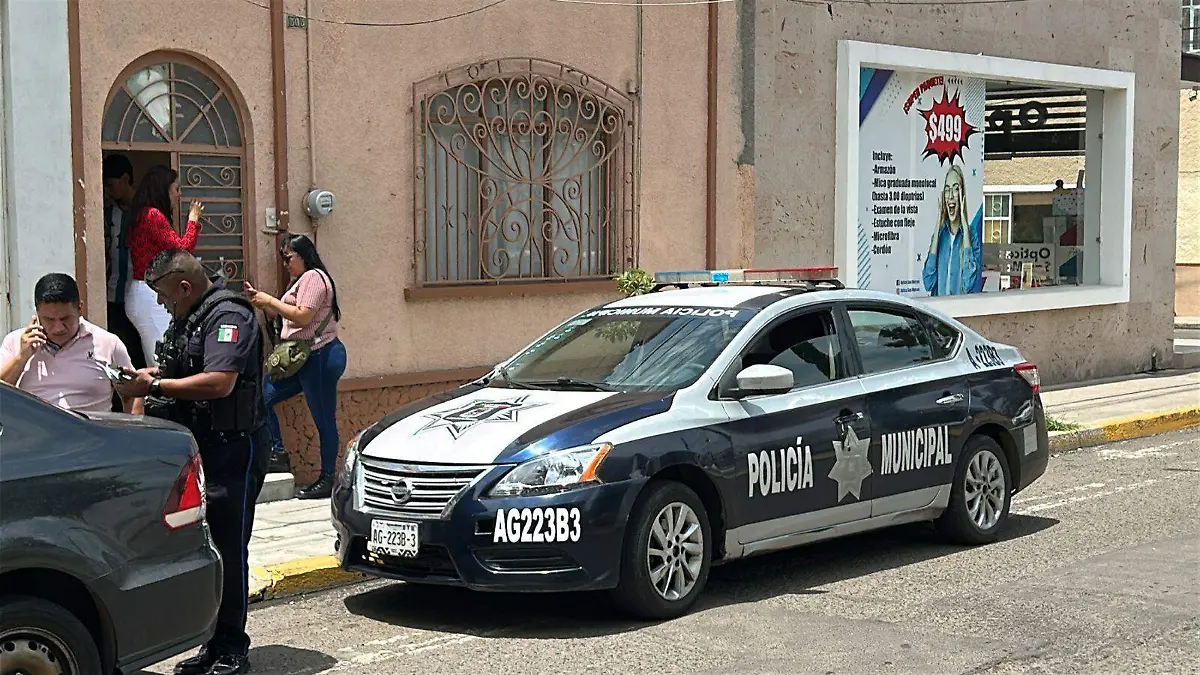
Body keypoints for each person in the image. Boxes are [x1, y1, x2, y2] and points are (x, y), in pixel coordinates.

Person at [115, 249, 268, 675]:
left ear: (185, 286)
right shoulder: (192, 316)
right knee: (204, 550)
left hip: (232, 450)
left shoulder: (228, 316)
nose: (162, 305)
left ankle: (233, 647)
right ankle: (211, 644)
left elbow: (220, 382)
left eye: (165, 297)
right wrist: (143, 378)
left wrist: (157, 384)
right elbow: (181, 368)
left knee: (229, 549)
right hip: (199, 449)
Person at [243, 234, 347, 499]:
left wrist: (269, 301)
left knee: (323, 420)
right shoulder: (299, 280)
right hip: (302, 358)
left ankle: (327, 480)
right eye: (283, 259)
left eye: (289, 258)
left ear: (304, 255)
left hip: (320, 356)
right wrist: (264, 305)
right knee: (265, 395)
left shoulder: (314, 277)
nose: (285, 264)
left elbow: (302, 316)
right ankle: (278, 452)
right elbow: (286, 316)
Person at [0, 273, 141, 414]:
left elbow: (133, 393)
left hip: (89, 433)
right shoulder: (15, 342)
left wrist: (133, 434)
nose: (58, 328)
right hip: (33, 432)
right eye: (49, 319)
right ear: (36, 313)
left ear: (80, 308)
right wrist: (21, 358)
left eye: (65, 318)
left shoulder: (107, 343)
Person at [125, 165, 204, 366]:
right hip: (150, 294)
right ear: (164, 189)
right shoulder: (152, 216)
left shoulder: (142, 214)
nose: (178, 195)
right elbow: (181, 252)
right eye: (176, 189)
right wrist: (193, 220)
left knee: (157, 356)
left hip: (143, 292)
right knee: (163, 361)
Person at [102, 153, 146, 370]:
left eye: (111, 184)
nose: (108, 191)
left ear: (126, 179)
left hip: (141, 294)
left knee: (141, 350)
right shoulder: (108, 213)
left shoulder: (147, 213)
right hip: (113, 296)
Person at [922, 163, 981, 296]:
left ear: (962, 195)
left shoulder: (971, 235)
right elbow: (928, 283)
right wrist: (938, 224)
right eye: (947, 189)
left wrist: (965, 228)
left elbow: (968, 284)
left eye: (955, 189)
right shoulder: (940, 234)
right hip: (938, 312)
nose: (951, 196)